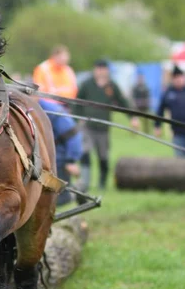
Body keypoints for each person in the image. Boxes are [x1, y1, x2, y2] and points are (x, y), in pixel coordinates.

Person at [74, 60, 138, 190]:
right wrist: (77, 120)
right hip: (88, 126)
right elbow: (76, 102)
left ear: (107, 70)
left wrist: (132, 117)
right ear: (95, 70)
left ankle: (102, 184)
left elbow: (122, 102)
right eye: (99, 68)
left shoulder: (112, 86)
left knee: (103, 156)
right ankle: (85, 182)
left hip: (103, 128)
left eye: (104, 69)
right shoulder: (87, 84)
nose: (101, 71)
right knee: (85, 152)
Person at [154, 66, 185, 158]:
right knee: (181, 158)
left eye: (179, 77)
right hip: (178, 128)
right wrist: (157, 125)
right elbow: (161, 109)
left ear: (184, 77)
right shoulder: (169, 92)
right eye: (175, 78)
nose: (178, 80)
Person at [38, 99, 82, 206]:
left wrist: (71, 160)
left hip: (59, 161)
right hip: (42, 160)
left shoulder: (53, 111)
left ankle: (75, 194)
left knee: (60, 196)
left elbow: (72, 134)